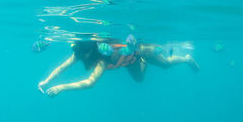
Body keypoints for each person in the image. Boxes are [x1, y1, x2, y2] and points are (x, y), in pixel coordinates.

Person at [38, 35, 200, 97]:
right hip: (130, 61)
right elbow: (61, 67)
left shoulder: (102, 58)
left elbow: (90, 82)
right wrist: (47, 81)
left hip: (139, 50)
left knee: (165, 64)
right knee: (139, 79)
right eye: (78, 54)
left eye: (81, 54)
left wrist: (61, 88)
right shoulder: (81, 52)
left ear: (90, 51)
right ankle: (142, 62)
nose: (78, 57)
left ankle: (186, 58)